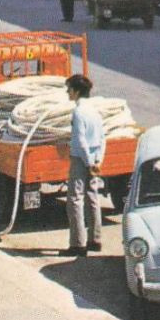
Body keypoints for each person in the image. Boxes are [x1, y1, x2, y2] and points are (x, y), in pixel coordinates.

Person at [61, 74, 104, 257]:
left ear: (76, 91)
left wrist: (87, 163)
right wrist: (97, 161)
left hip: (81, 158)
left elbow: (80, 140)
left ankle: (78, 243)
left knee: (75, 199)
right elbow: (102, 138)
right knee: (92, 196)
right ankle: (95, 239)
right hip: (95, 157)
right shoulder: (95, 111)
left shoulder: (78, 112)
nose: (67, 92)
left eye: (69, 89)